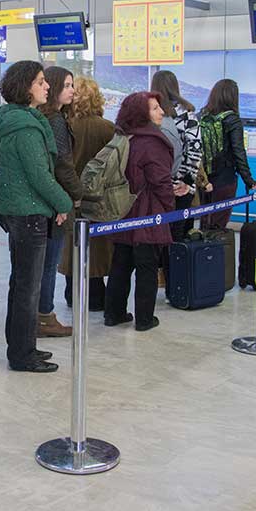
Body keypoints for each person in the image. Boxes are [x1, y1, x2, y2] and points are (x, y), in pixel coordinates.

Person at [0, 60, 72, 373]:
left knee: (22, 285)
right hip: (29, 213)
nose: (47, 86)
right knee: (27, 288)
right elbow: (39, 174)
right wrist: (64, 202)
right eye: (40, 81)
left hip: (22, 212)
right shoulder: (25, 127)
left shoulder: (18, 119)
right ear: (25, 86)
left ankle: (23, 347)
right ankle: (22, 354)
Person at [104, 92, 177, 332]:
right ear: (142, 114)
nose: (161, 112)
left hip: (123, 208)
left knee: (121, 264)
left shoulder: (123, 137)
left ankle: (113, 313)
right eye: (155, 108)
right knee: (147, 266)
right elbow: (160, 181)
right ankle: (145, 319)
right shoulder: (152, 143)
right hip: (148, 211)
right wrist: (170, 206)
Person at [59, 77, 115, 311]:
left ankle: (72, 294)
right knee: (98, 248)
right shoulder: (108, 128)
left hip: (69, 196)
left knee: (71, 246)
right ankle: (96, 297)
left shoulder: (65, 127)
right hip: (98, 198)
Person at [36, 66, 83, 338]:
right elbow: (63, 165)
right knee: (49, 262)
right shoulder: (55, 121)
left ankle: (40, 314)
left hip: (46, 199)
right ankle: (45, 315)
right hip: (56, 201)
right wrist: (76, 194)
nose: (72, 90)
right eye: (66, 85)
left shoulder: (45, 117)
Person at [198, 79, 256, 230]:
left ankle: (203, 243)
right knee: (219, 221)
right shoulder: (232, 120)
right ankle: (216, 244)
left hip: (203, 177)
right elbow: (239, 152)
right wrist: (249, 180)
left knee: (205, 219)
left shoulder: (201, 116)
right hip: (225, 177)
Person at [151, 70, 202, 240]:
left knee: (155, 234)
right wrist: (186, 182)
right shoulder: (188, 114)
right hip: (182, 187)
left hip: (157, 185)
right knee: (177, 234)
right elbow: (195, 151)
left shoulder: (152, 112)